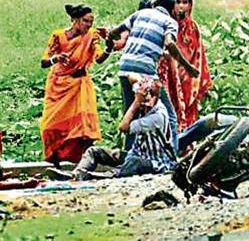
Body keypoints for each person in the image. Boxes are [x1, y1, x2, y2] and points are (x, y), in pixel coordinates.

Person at [107, 0, 200, 153]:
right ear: (172, 9)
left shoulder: (139, 14)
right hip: (145, 71)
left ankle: (128, 155)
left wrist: (109, 45)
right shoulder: (170, 22)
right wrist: (188, 67)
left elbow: (113, 33)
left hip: (124, 68)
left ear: (155, 3)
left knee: (130, 112)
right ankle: (172, 155)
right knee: (170, 114)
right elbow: (170, 43)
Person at [46, 77, 177, 180]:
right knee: (94, 151)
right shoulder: (145, 101)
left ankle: (105, 176)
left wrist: (136, 102)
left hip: (156, 162)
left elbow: (123, 127)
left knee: (134, 163)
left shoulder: (157, 117)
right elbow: (131, 76)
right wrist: (140, 84)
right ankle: (76, 174)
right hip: (135, 154)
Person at [40, 4, 112, 163]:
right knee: (50, 125)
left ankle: (81, 161)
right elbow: (44, 62)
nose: (88, 25)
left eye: (91, 22)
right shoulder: (58, 35)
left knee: (84, 127)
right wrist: (56, 58)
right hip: (59, 84)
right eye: (85, 21)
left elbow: (99, 58)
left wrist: (109, 47)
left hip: (81, 85)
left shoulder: (91, 36)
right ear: (75, 20)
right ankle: (55, 158)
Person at [158, 0, 213, 132]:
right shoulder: (167, 24)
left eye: (185, 2)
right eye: (178, 2)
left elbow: (199, 55)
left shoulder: (193, 27)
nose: (181, 6)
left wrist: (200, 81)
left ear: (190, 5)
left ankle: (187, 147)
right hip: (169, 75)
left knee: (188, 113)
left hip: (189, 79)